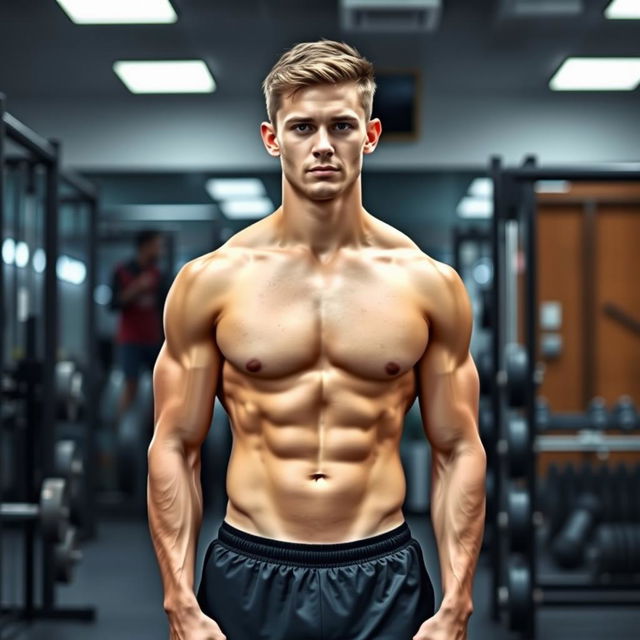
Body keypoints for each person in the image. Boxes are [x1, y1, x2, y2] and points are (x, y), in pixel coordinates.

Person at [147, 39, 486, 640]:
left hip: (383, 571)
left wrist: (457, 602)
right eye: (302, 126)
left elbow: (457, 448)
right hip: (249, 566)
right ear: (272, 137)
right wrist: (178, 597)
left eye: (342, 125)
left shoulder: (430, 285)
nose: (323, 145)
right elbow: (175, 444)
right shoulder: (211, 282)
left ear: (371, 134)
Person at [110, 229, 167, 419]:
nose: (160, 250)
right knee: (131, 387)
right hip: (131, 339)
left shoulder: (158, 275)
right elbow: (113, 304)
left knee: (160, 388)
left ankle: (154, 434)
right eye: (157, 246)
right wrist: (136, 289)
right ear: (145, 247)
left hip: (153, 339)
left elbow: (164, 307)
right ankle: (116, 437)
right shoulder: (122, 271)